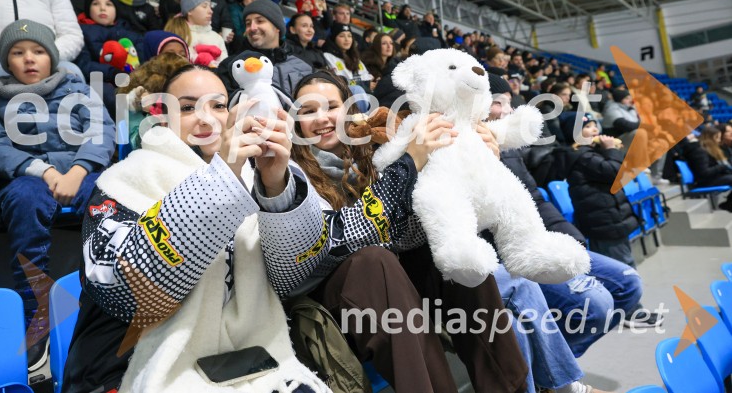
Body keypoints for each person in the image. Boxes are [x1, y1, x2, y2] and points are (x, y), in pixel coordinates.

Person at [62, 62, 330, 393]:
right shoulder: (123, 179)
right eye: (188, 107)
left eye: (218, 105)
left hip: (244, 363)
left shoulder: (254, 176)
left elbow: (292, 276)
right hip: (126, 367)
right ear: (163, 118)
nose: (206, 118)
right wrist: (224, 175)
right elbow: (127, 293)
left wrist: (276, 186)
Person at [289, 71, 529, 393]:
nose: (321, 119)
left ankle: (509, 388)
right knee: (373, 261)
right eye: (308, 111)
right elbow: (339, 241)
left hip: (392, 295)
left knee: (457, 257)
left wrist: (479, 164)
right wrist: (410, 163)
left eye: (331, 106)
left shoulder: (371, 153)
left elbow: (406, 234)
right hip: (334, 306)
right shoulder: (290, 173)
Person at [0, 20, 115, 372]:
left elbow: (102, 130)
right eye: (18, 52)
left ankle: (108, 297)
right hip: (29, 176)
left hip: (81, 172)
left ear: (52, 57)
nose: (29, 59)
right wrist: (45, 172)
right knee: (23, 200)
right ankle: (36, 310)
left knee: (113, 195)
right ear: (6, 61)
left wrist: (78, 170)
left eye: (39, 51)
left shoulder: (78, 89)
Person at [489, 76, 646, 356]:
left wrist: (567, 233)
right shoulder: (454, 153)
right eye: (497, 103)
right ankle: (552, 371)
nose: (508, 111)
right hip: (507, 255)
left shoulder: (508, 150)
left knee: (628, 283)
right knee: (595, 304)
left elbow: (535, 198)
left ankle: (555, 361)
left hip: (541, 240)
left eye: (509, 103)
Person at [218, 0, 312, 98]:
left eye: (260, 21)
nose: (252, 28)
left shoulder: (303, 65)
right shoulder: (232, 66)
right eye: (248, 23)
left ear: (277, 27)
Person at [165, 0, 227, 67]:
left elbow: (224, 64)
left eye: (210, 7)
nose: (210, 11)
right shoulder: (180, 35)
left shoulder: (217, 37)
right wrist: (196, 59)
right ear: (190, 11)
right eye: (204, 6)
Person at [681, 126, 732, 210]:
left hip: (711, 179)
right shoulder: (699, 151)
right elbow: (703, 173)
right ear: (710, 138)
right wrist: (722, 167)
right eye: (717, 138)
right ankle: (728, 204)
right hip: (704, 182)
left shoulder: (706, 150)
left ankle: (728, 203)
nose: (719, 141)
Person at [321, 22, 373, 92]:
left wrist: (370, 83)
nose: (347, 39)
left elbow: (365, 76)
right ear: (334, 38)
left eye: (349, 36)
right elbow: (341, 81)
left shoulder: (355, 57)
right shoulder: (328, 56)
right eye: (342, 36)